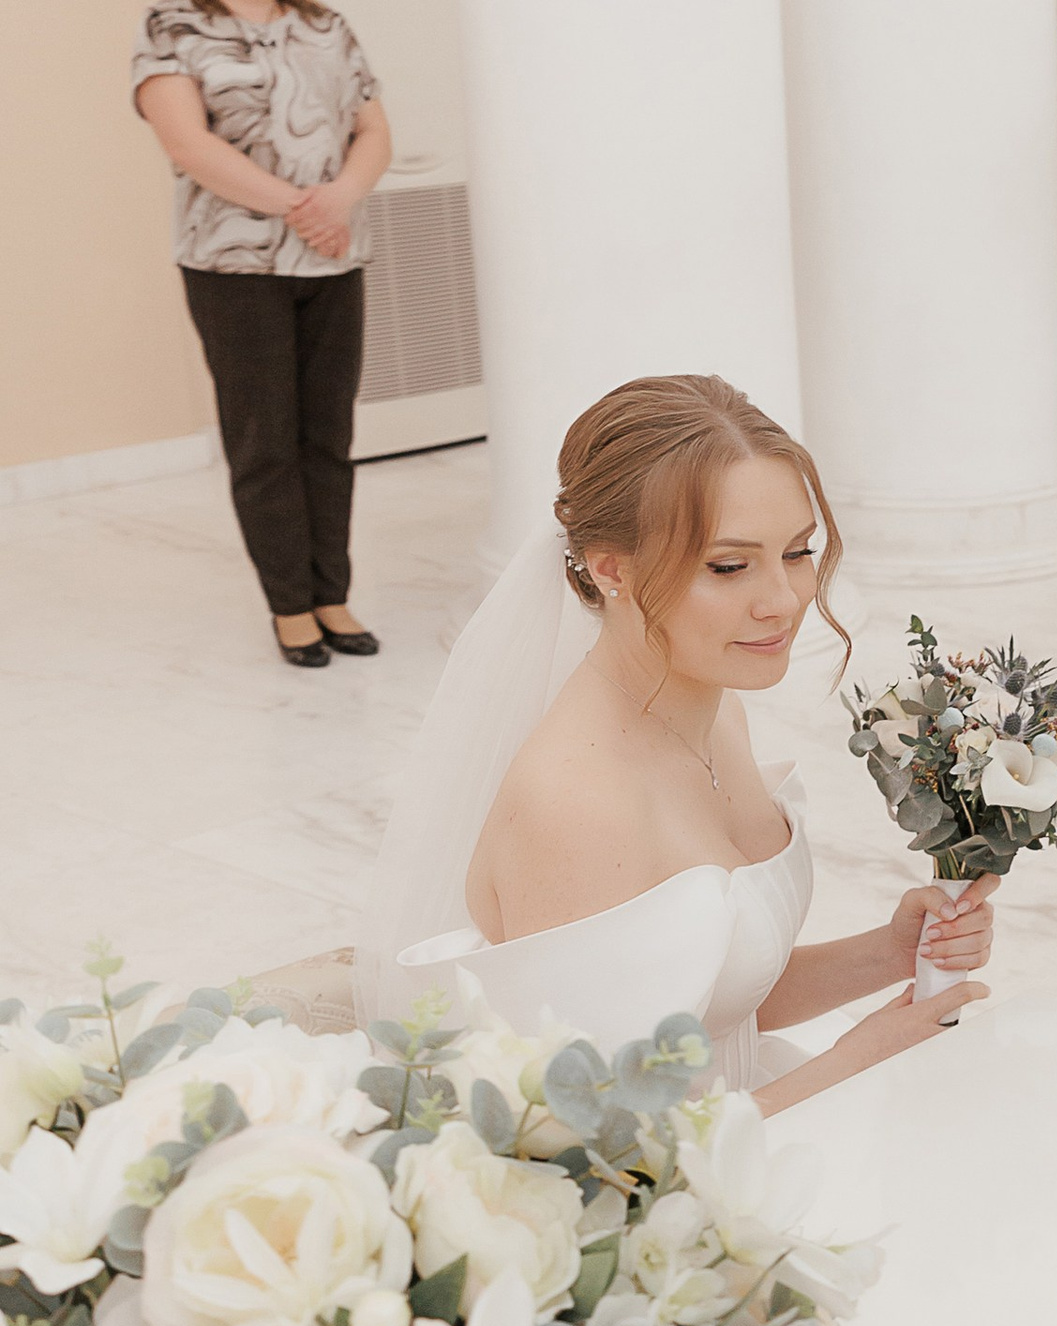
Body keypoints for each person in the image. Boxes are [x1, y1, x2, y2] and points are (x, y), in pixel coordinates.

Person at [355, 374, 993, 1106]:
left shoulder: (717, 716)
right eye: (728, 566)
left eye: (796, 551)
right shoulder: (575, 807)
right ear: (610, 568)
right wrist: (856, 1058)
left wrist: (887, 954)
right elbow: (609, 1147)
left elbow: (699, 1010)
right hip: (675, 1185)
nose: (783, 600)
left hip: (748, 1113)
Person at [133, 0, 395, 666]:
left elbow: (373, 131)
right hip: (231, 265)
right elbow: (188, 144)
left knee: (327, 435)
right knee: (265, 443)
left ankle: (332, 594)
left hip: (331, 261)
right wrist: (300, 206)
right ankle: (290, 607)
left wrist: (339, 198)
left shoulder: (327, 25)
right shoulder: (172, 26)